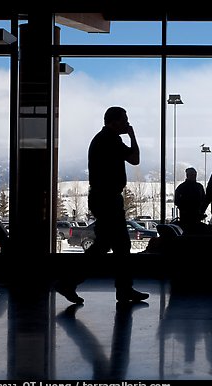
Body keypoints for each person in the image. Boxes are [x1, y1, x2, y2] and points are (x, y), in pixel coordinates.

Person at [55, 106, 149, 304]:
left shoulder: (104, 139)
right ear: (114, 122)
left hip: (103, 198)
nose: (127, 124)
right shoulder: (110, 140)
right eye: (124, 120)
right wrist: (132, 136)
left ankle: (72, 283)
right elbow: (134, 158)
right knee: (117, 245)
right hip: (108, 199)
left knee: (107, 245)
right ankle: (119, 289)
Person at [174, 167, 206, 231]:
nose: (194, 176)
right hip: (191, 217)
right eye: (192, 175)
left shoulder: (181, 187)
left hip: (187, 216)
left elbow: (177, 201)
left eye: (194, 175)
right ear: (187, 175)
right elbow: (204, 200)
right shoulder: (199, 187)